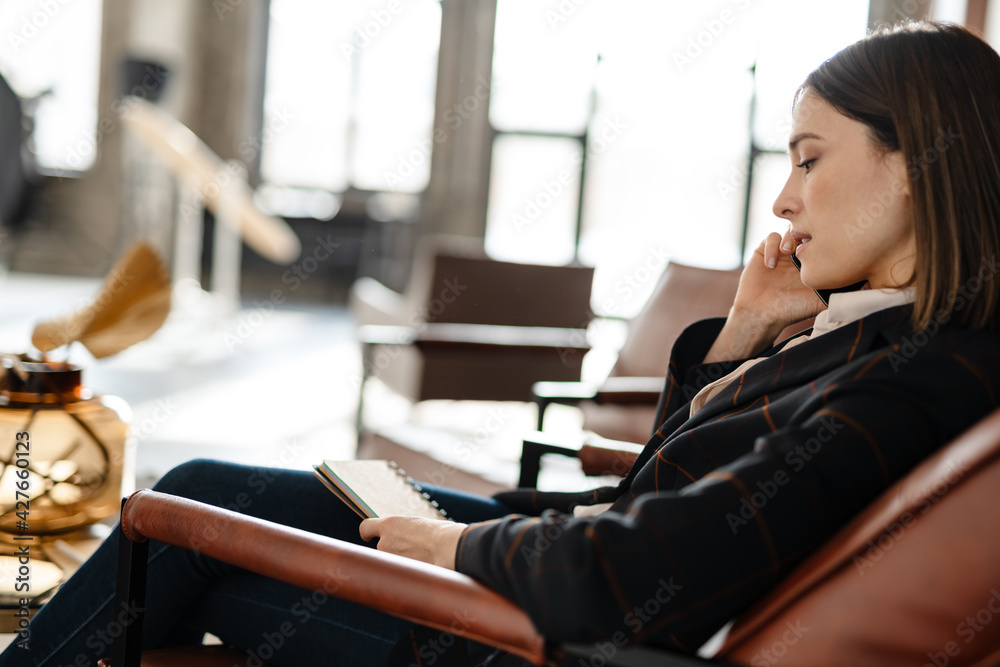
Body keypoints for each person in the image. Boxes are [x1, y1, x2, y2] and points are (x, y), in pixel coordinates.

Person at [6, 19, 1000, 667]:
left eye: (810, 160)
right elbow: (675, 497)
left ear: (917, 160)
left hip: (545, 636)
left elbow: (648, 567)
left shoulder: (920, 376)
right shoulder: (883, 341)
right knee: (206, 487)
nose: (782, 198)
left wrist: (452, 543)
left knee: (188, 543)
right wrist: (741, 341)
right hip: (561, 568)